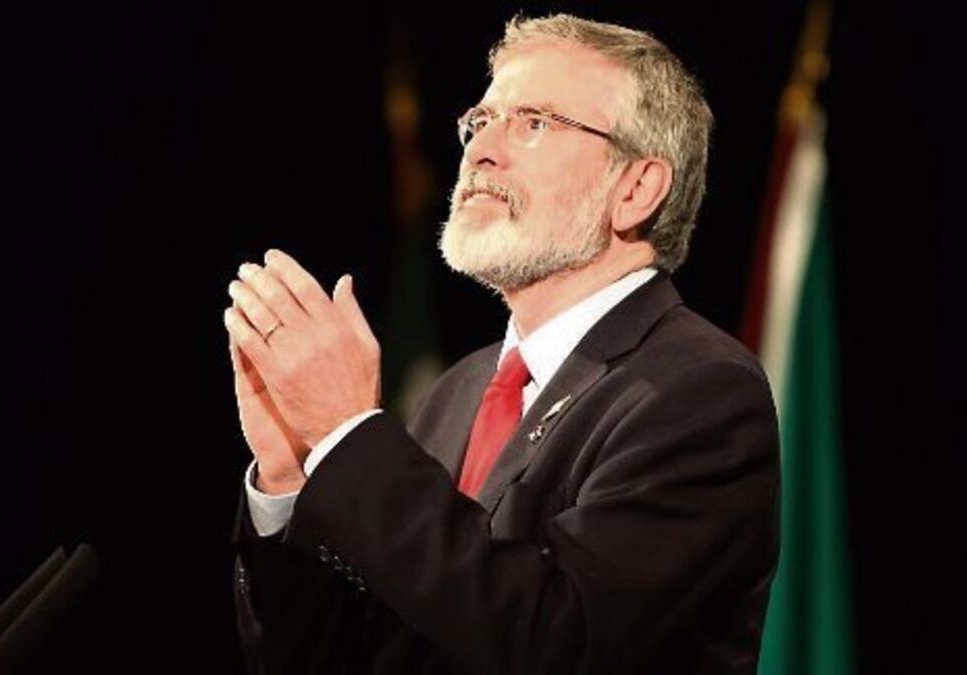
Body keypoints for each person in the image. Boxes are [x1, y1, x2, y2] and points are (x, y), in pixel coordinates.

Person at [222, 13, 780, 675]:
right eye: (481, 121)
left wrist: (350, 435)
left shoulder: (698, 393)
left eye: (533, 121)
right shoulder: (457, 392)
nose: (480, 150)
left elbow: (555, 640)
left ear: (634, 189)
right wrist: (292, 476)